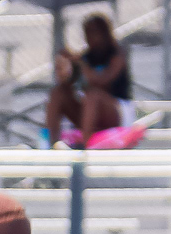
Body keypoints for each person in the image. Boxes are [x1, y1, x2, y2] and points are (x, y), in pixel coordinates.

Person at [46, 16, 135, 146]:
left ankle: (86, 148)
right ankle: (50, 144)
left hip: (118, 110)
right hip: (90, 110)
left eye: (93, 32)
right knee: (58, 92)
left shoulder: (117, 54)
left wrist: (81, 65)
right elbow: (70, 85)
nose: (89, 37)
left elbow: (103, 82)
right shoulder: (86, 57)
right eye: (86, 32)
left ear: (104, 33)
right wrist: (66, 67)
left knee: (93, 96)